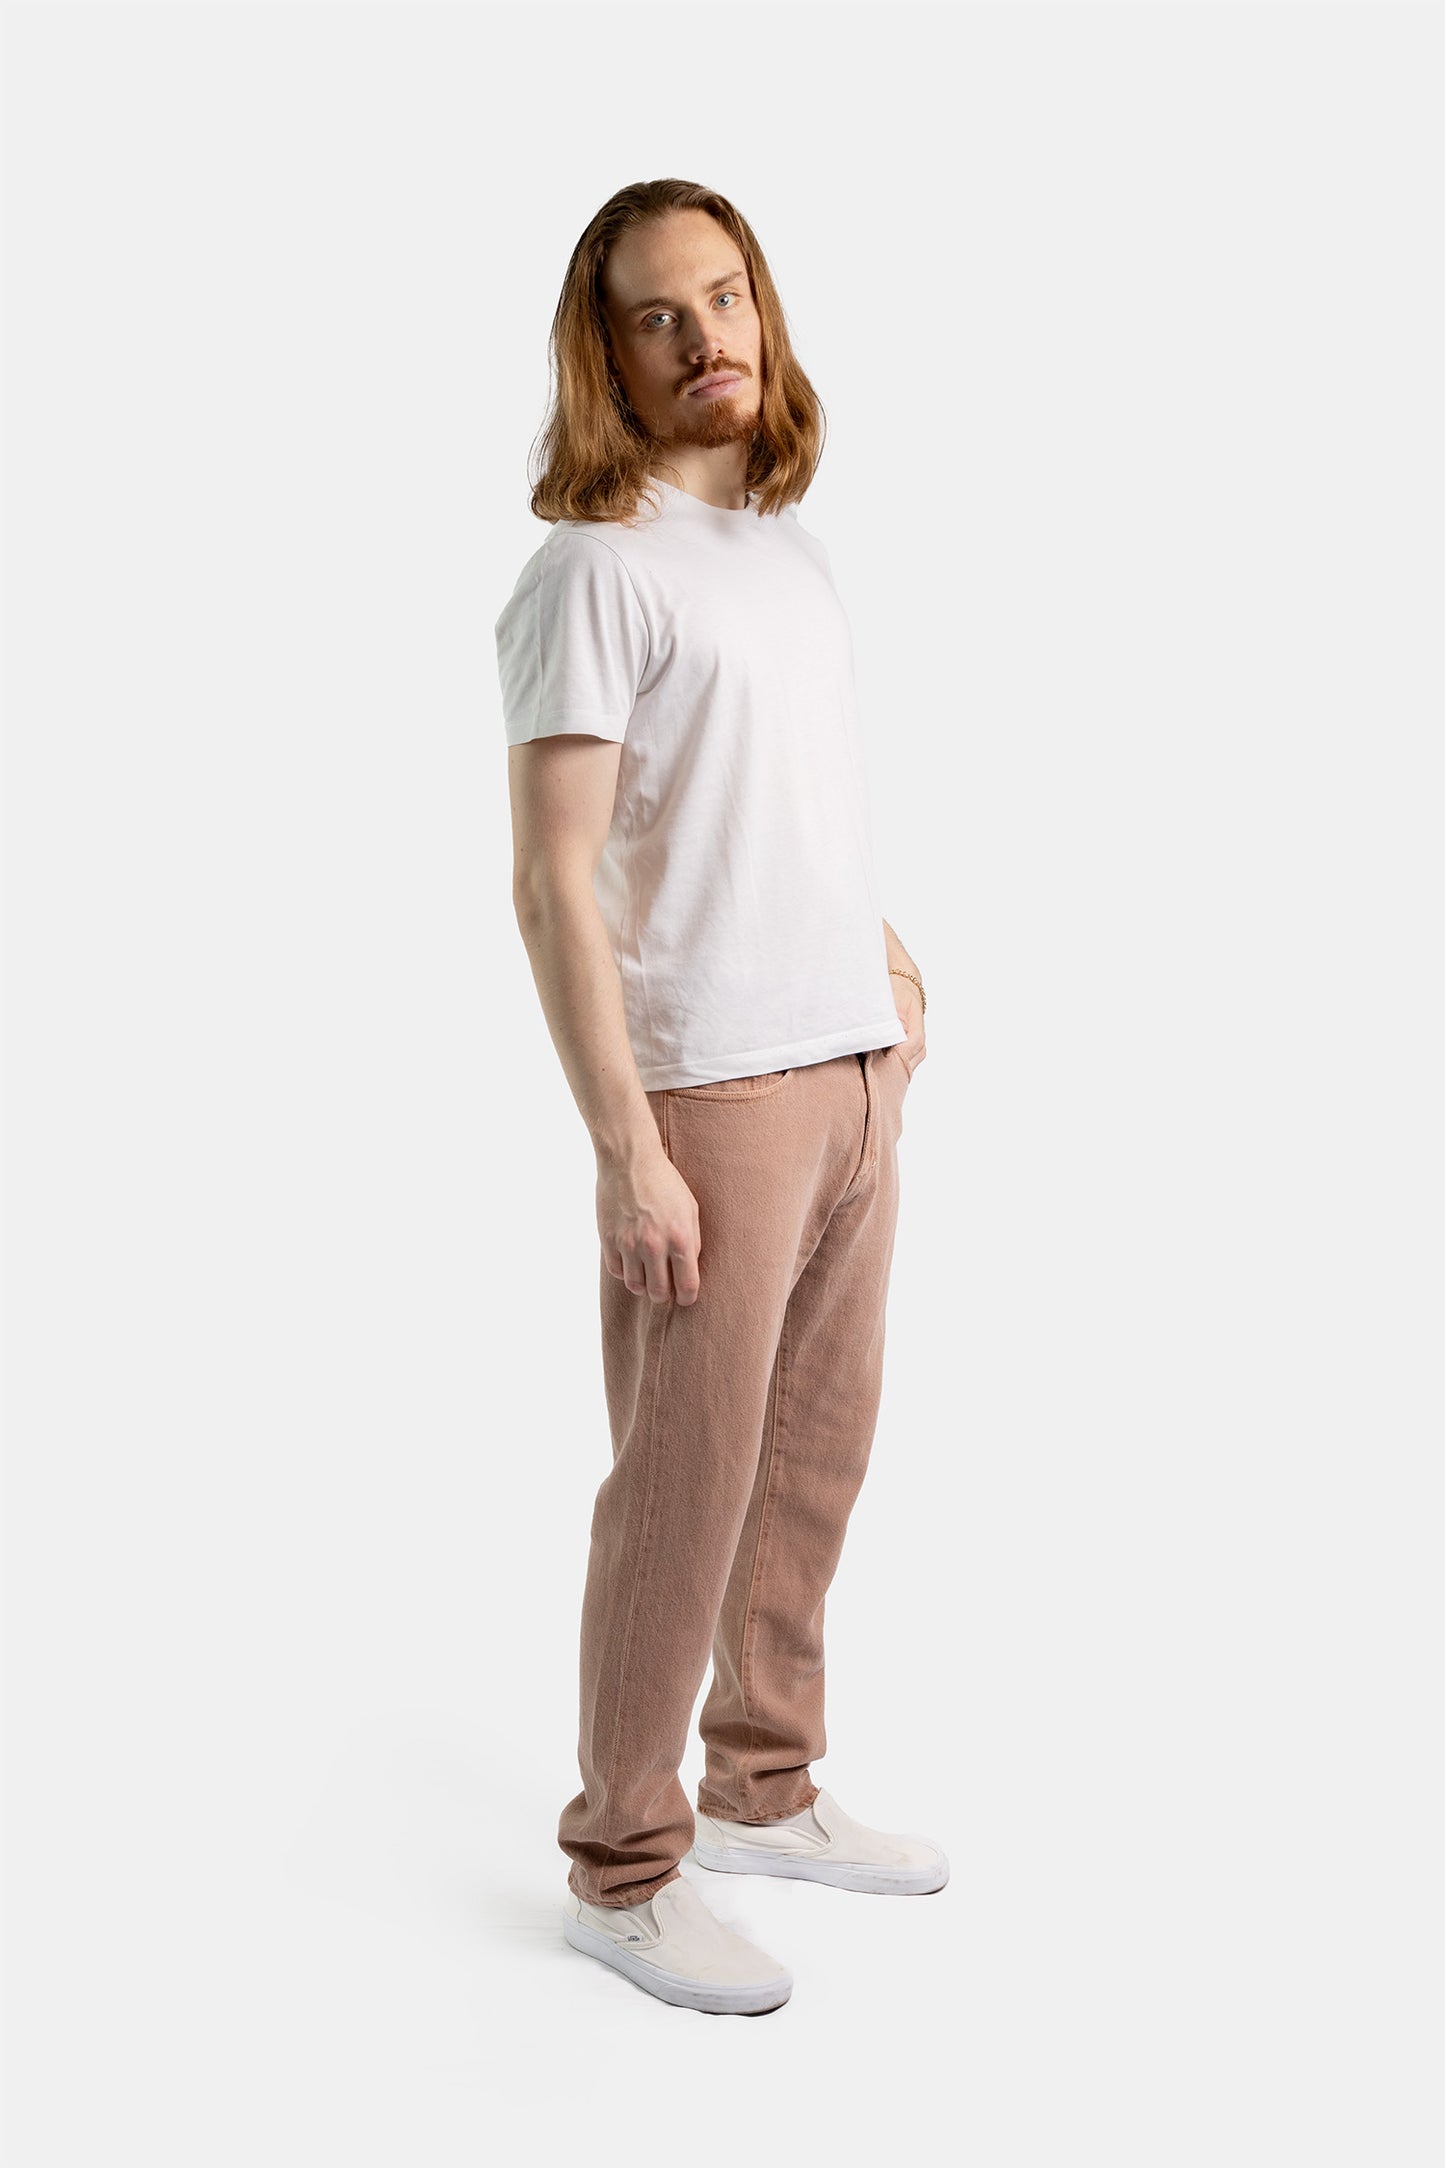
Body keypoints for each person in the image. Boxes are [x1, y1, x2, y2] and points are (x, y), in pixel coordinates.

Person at [494, 178, 947, 2017]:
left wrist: (887, 968)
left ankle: (762, 1787)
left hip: (850, 1070)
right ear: (604, 355)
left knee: (813, 1463)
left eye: (728, 293)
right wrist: (627, 1148)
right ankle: (622, 1866)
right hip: (712, 1096)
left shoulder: (784, 550)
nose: (707, 337)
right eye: (658, 313)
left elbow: (778, 802)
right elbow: (553, 877)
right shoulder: (589, 573)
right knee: (680, 1494)